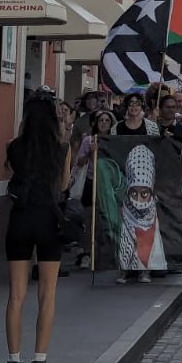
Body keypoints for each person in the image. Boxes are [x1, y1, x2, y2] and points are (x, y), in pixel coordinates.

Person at [4, 92, 72, 363]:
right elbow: (64, 183)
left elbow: (8, 172)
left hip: (19, 218)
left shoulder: (14, 146)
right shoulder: (61, 148)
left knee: (16, 296)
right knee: (47, 294)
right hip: (48, 219)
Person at [116, 143, 167, 285]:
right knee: (126, 238)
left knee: (148, 238)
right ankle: (124, 270)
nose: (138, 199)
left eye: (144, 194)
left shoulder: (152, 204)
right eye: (134, 193)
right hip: (128, 214)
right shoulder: (126, 202)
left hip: (148, 217)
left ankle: (145, 270)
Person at [71, 109, 116, 269]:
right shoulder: (88, 140)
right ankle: (87, 253)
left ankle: (104, 254)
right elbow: (79, 162)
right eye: (101, 120)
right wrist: (90, 152)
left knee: (106, 220)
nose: (104, 123)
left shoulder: (113, 140)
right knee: (89, 220)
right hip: (91, 182)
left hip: (108, 185)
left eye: (107, 121)